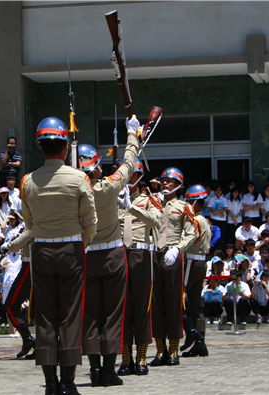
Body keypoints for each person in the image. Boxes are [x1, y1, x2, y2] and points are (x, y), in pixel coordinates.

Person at [19, 117, 97, 394]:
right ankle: (68, 382)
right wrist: (81, 243)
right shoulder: (79, 178)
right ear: (65, 148)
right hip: (71, 249)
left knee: (45, 316)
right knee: (70, 315)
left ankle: (50, 382)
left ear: (41, 148)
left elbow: (29, 224)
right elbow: (91, 220)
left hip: (41, 249)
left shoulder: (27, 181)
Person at [78, 116, 140, 387]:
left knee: (91, 314)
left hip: (88, 256)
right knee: (113, 314)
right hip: (113, 256)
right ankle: (108, 370)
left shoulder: (75, 191)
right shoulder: (108, 187)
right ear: (96, 166)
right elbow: (129, 164)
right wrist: (131, 134)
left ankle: (93, 369)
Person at [118, 157, 161, 377]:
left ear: (139, 177)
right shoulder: (114, 199)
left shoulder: (148, 200)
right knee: (123, 308)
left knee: (142, 307)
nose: (127, 179)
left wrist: (131, 207)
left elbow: (156, 221)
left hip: (141, 254)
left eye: (132, 175)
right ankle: (125, 358)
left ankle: (141, 356)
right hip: (120, 254)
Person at [150, 167, 197, 367]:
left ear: (178, 185)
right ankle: (160, 350)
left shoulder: (184, 206)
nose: (165, 183)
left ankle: (173, 349)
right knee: (156, 304)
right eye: (163, 180)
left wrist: (178, 249)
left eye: (169, 181)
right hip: (154, 254)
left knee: (173, 304)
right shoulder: (152, 203)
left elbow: (191, 233)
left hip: (172, 255)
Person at [180, 185, 212, 358]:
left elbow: (190, 239)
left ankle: (192, 333)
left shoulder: (196, 220)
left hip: (191, 261)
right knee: (194, 303)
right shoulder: (205, 220)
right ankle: (200, 342)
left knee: (178, 299)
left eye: (189, 201)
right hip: (201, 262)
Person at [2, 229, 36, 359]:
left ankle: (29, 339)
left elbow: (30, 231)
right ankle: (36, 344)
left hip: (31, 263)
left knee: (10, 304)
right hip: (35, 261)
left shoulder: (36, 213)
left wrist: (10, 246)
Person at [207, 185, 228, 249]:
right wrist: (219, 213)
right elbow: (211, 210)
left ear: (221, 191)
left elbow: (225, 209)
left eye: (219, 190)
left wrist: (215, 211)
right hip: (214, 219)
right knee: (214, 236)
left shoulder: (224, 199)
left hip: (222, 220)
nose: (218, 191)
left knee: (222, 236)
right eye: (217, 190)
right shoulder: (212, 199)